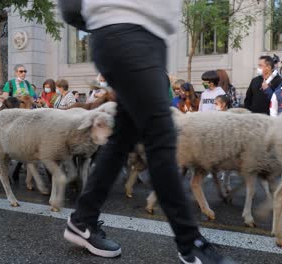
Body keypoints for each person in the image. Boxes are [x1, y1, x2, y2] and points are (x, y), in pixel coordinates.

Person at [59, 1, 235, 263]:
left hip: (147, 38)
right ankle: (190, 242)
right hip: (126, 33)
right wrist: (107, 18)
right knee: (161, 138)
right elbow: (71, 7)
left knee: (122, 139)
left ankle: (82, 220)